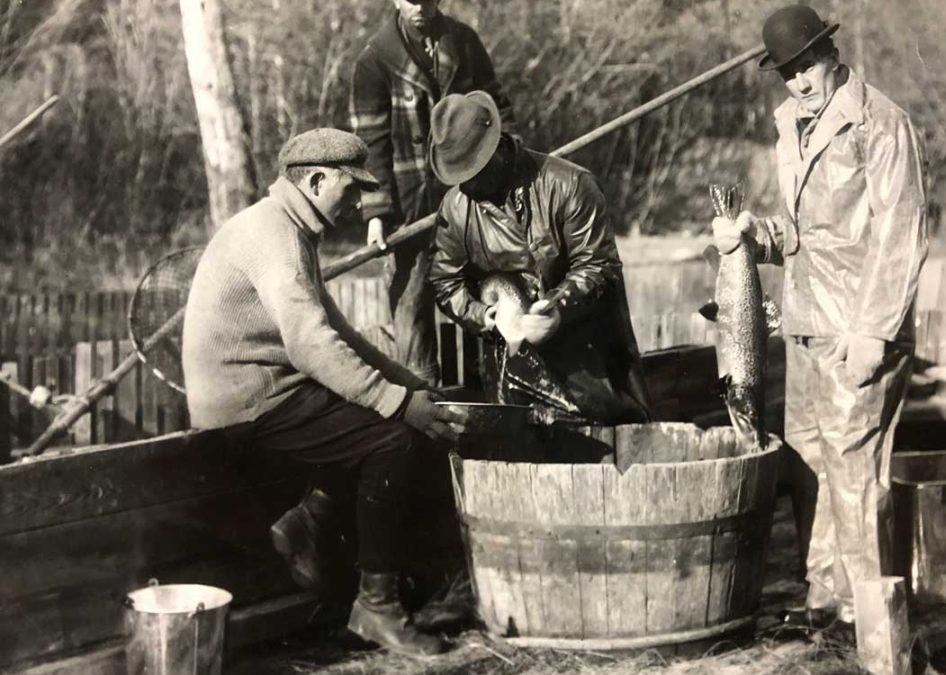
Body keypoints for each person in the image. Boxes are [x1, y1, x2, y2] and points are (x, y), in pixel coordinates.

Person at [182, 128, 466, 656]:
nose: (359, 202)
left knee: (378, 420)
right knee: (393, 441)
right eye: (351, 188)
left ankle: (309, 524)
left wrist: (415, 387)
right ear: (316, 180)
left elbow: (341, 334)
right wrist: (400, 405)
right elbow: (312, 348)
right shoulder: (275, 236)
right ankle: (377, 608)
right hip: (247, 405)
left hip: (267, 393)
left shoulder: (288, 227)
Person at [711, 5, 927, 642]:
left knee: (857, 484)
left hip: (857, 333)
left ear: (832, 54)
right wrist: (759, 235)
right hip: (804, 326)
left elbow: (900, 235)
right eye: (788, 73)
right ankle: (829, 614)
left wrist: (873, 334)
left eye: (807, 65)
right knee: (809, 470)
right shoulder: (792, 126)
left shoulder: (881, 124)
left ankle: (879, 639)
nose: (800, 81)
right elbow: (809, 236)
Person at [427, 91, 650, 425]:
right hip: (507, 361)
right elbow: (445, 282)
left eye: (475, 171)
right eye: (460, 176)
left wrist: (558, 308)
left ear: (499, 149)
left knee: (601, 446)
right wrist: (485, 316)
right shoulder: (456, 209)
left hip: (587, 358)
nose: (468, 186)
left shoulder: (571, 185)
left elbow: (598, 266)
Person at [350, 0, 515, 386]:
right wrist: (376, 213)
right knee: (412, 312)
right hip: (410, 210)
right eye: (411, 0)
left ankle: (492, 391)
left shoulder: (464, 43)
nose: (420, 7)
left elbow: (498, 109)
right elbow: (370, 144)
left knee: (485, 300)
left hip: (471, 197)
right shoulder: (373, 61)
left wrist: (511, 164)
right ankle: (421, 408)